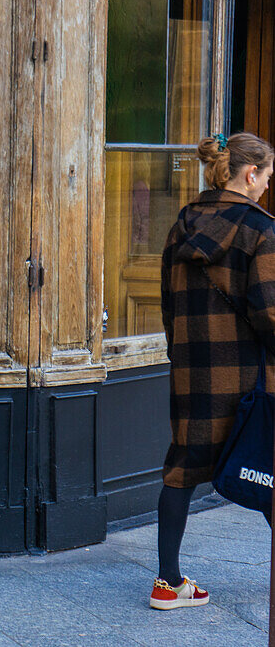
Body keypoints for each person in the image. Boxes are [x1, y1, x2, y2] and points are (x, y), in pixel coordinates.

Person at [153, 132, 275, 610]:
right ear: (250, 174)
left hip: (192, 369)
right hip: (249, 378)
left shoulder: (183, 223)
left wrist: (180, 352)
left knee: (181, 470)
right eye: (267, 175)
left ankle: (168, 583)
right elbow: (268, 314)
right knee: (266, 465)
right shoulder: (261, 231)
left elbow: (167, 301)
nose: (267, 184)